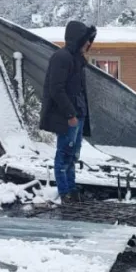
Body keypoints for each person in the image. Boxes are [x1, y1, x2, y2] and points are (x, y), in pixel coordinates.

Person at [40, 20, 97, 203]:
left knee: (73, 155)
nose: (89, 43)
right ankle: (65, 193)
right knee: (64, 154)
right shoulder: (62, 57)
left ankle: (72, 189)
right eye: (87, 40)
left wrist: (80, 114)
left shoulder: (77, 60)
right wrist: (70, 114)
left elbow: (78, 90)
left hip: (78, 114)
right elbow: (56, 88)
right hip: (68, 116)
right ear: (78, 39)